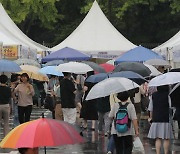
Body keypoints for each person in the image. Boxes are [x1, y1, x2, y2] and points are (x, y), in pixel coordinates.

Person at [148, 85, 173, 154]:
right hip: (165, 118)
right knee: (166, 138)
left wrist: (150, 118)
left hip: (156, 118)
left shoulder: (153, 95)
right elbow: (170, 106)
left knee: (158, 138)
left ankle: (158, 153)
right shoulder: (167, 96)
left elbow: (151, 108)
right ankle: (165, 152)